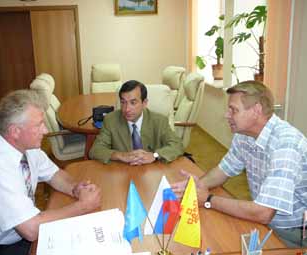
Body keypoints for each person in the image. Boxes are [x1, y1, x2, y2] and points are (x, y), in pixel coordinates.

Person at [172, 80, 307, 247]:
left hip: (294, 233)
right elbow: (223, 170)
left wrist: (207, 199)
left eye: (233, 110)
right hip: (265, 223)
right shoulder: (244, 134)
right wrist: (197, 185)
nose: (226, 115)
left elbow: (264, 212)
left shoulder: (286, 145)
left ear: (256, 110)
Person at [0, 90, 101, 254]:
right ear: (15, 131)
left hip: (18, 231)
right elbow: (31, 230)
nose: (45, 130)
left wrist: (75, 188)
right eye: (39, 125)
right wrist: (82, 206)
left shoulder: (22, 144)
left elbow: (54, 174)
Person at [89, 80, 184, 165]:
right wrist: (120, 155)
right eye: (123, 102)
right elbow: (95, 150)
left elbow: (177, 145)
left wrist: (155, 155)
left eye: (133, 103)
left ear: (144, 103)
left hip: (152, 172)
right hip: (123, 172)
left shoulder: (159, 121)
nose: (127, 109)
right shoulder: (110, 120)